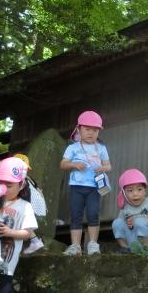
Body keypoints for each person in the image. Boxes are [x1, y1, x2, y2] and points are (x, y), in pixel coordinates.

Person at [0, 156, 38, 293]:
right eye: (0, 184)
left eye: (9, 186)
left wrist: (10, 232)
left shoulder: (24, 207)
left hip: (5, 268)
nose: (4, 189)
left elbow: (28, 232)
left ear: (22, 185)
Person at [60, 110, 112, 256]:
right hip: (76, 187)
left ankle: (93, 245)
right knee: (76, 215)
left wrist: (103, 168)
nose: (91, 133)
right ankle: (75, 246)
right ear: (79, 129)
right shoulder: (73, 147)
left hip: (94, 187)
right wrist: (75, 164)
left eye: (95, 130)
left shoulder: (101, 148)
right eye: (87, 129)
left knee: (93, 214)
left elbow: (109, 166)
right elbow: (63, 164)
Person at [111, 168, 148, 253]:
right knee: (117, 223)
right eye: (130, 190)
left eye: (139, 189)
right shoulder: (125, 207)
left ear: (144, 191)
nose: (135, 194)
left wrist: (145, 220)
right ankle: (125, 248)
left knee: (140, 221)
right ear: (124, 193)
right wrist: (128, 223)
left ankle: (146, 250)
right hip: (133, 240)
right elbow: (120, 227)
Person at [12, 153, 47, 255]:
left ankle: (35, 241)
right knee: (23, 224)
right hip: (34, 205)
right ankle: (34, 241)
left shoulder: (23, 180)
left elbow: (25, 195)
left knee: (23, 223)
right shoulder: (28, 179)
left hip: (27, 204)